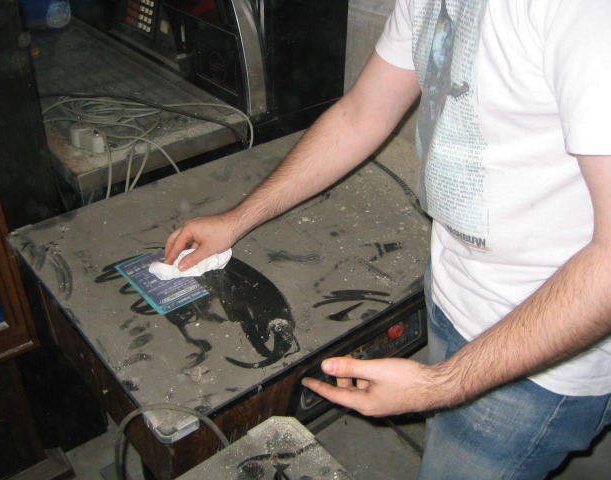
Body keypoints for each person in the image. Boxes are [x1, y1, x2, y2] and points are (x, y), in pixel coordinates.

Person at [165, 1, 611, 478]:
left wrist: (440, 385)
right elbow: (361, 114)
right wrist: (236, 220)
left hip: (543, 358)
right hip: (456, 289)